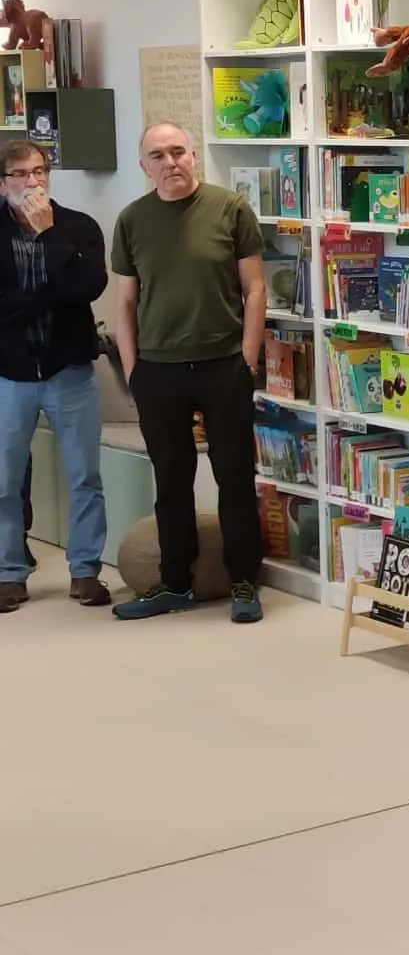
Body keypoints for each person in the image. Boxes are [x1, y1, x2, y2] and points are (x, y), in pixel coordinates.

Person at [108, 122, 267, 624]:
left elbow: (256, 289)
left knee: (234, 477)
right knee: (171, 481)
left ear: (193, 155)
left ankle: (244, 582)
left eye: (178, 151)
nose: (170, 161)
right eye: (158, 155)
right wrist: (133, 369)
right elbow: (126, 303)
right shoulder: (132, 220)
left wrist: (248, 357)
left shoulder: (230, 208)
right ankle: (174, 583)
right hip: (158, 370)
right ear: (144, 166)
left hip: (224, 365)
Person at [0, 139, 110, 612]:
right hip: (10, 372)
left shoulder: (76, 226)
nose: (33, 183)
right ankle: (8, 574)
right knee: (4, 480)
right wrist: (45, 297)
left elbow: (88, 287)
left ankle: (85, 571)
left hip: (69, 369)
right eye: (21, 175)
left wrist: (48, 236)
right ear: (2, 183)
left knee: (85, 475)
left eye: (40, 172)